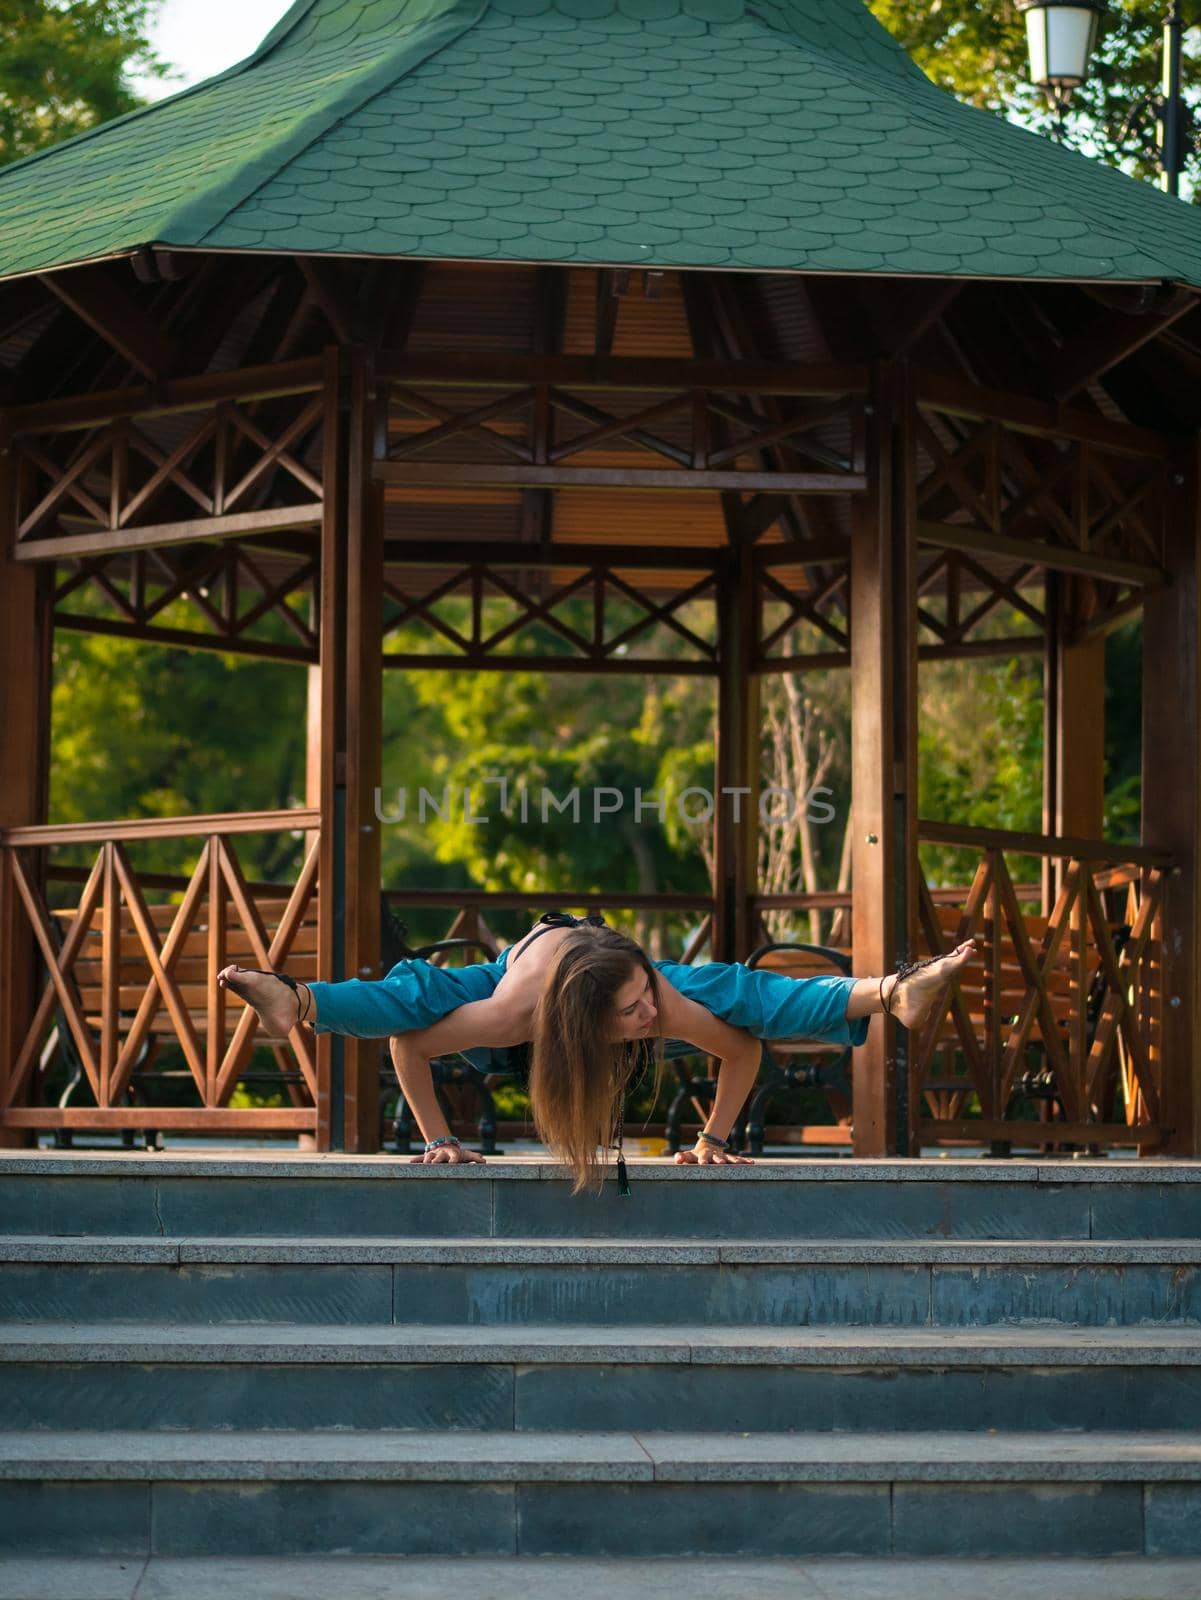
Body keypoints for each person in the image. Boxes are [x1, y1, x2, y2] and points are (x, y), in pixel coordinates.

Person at [218, 913, 978, 1190]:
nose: (651, 1015)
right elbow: (408, 1044)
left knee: (734, 990)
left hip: (593, 960)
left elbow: (743, 1050)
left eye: (648, 999)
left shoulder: (659, 993)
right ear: (587, 1027)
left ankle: (889, 992)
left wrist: (712, 1140)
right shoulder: (512, 1012)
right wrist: (438, 1140)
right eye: (633, 1013)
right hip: (526, 974)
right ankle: (300, 1000)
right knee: (419, 992)